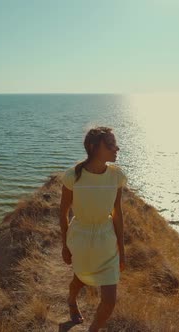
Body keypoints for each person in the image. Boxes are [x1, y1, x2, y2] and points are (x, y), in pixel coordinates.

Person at [60, 126, 128, 332]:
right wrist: (65, 245)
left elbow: (117, 213)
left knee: (109, 300)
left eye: (115, 144)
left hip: (106, 240)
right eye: (110, 144)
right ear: (93, 147)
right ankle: (72, 301)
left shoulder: (116, 176)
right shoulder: (73, 176)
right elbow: (63, 212)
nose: (116, 148)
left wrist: (122, 251)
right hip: (81, 238)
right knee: (80, 278)